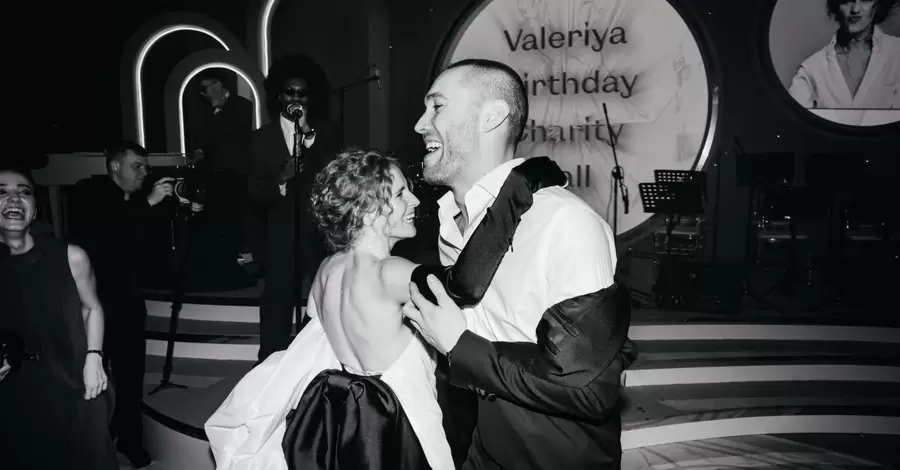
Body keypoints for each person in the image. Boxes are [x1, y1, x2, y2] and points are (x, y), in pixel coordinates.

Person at [205, 149, 567, 469]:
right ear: (367, 211)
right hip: (397, 430)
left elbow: (317, 330)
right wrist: (518, 190)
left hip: (344, 428)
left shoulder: (326, 271)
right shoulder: (389, 273)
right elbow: (464, 285)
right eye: (400, 194)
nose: (415, 200)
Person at [402, 58, 637, 470]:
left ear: (492, 117)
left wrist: (459, 345)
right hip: (483, 449)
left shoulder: (564, 222)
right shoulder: (453, 226)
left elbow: (588, 390)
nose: (421, 124)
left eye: (437, 106)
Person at [69, 141, 202, 468]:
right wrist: (150, 202)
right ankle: (92, 438)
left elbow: (148, 228)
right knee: (92, 372)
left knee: (131, 374)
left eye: (145, 167)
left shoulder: (138, 201)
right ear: (115, 167)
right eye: (136, 166)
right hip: (94, 302)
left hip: (128, 299)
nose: (143, 173)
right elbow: (109, 228)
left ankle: (129, 437)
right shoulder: (91, 194)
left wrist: (186, 206)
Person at [0, 167, 117, 470]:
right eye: (2, 192)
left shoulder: (69, 256)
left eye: (24, 192)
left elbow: (92, 308)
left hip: (74, 380)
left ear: (35, 209)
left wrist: (94, 358)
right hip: (16, 391)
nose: (14, 199)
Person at [247, 54, 339, 362]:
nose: (295, 98)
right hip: (279, 237)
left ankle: (315, 366)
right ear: (279, 96)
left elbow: (332, 180)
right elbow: (254, 192)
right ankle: (268, 368)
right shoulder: (261, 139)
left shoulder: (324, 136)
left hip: (316, 236)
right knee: (276, 307)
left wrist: (309, 135)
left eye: (302, 93)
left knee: (322, 304)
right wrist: (281, 180)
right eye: (289, 92)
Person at [789, 0, 900, 110]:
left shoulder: (896, 52)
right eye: (847, 0)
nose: (855, 10)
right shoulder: (812, 68)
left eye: (865, 0)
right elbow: (794, 117)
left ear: (878, 5)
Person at [189, 71, 254, 173]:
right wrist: (199, 151)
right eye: (201, 90)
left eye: (205, 88)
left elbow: (229, 132)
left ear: (218, 84)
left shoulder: (243, 105)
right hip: (211, 170)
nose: (203, 93)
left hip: (238, 169)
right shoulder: (202, 109)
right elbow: (199, 136)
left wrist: (218, 110)